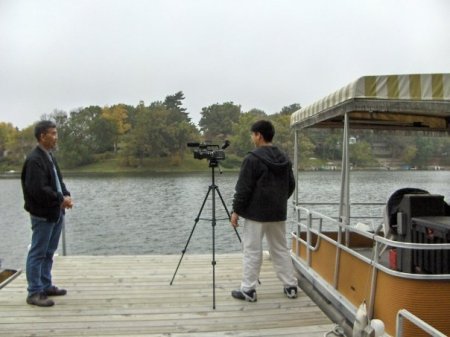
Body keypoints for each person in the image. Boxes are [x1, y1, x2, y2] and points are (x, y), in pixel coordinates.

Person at [230, 120, 297, 302]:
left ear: (258, 135)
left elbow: (243, 189)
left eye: (253, 134)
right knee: (280, 249)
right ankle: (290, 285)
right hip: (278, 213)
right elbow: (291, 185)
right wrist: (278, 201)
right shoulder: (284, 158)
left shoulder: (252, 159)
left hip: (255, 215)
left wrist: (236, 211)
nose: (252, 138)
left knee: (252, 250)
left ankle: (248, 290)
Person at [21, 120, 73, 307]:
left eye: (56, 133)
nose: (56, 137)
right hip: (43, 214)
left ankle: (45, 284)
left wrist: (66, 195)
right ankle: (34, 292)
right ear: (42, 136)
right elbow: (39, 190)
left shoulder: (49, 156)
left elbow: (58, 180)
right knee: (38, 252)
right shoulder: (35, 160)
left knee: (49, 252)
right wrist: (61, 199)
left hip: (55, 212)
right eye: (53, 133)